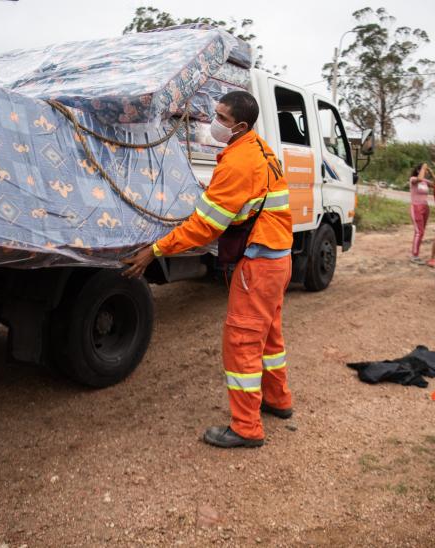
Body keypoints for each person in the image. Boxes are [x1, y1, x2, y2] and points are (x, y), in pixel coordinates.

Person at [122, 91, 294, 449]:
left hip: (258, 263)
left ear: (241, 125)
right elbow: (244, 197)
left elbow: (205, 227)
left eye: (221, 118)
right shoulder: (259, 148)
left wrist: (155, 250)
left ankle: (247, 428)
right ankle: (278, 400)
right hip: (279, 257)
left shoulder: (238, 162)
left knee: (243, 340)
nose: (213, 122)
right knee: (269, 334)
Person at [409, 162, 434, 264]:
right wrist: (424, 167)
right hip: (416, 207)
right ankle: (414, 255)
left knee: (420, 232)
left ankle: (416, 253)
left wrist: (432, 174)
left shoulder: (425, 181)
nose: (426, 172)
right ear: (419, 170)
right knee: (419, 232)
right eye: (424, 170)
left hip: (425, 206)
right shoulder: (413, 179)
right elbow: (419, 179)